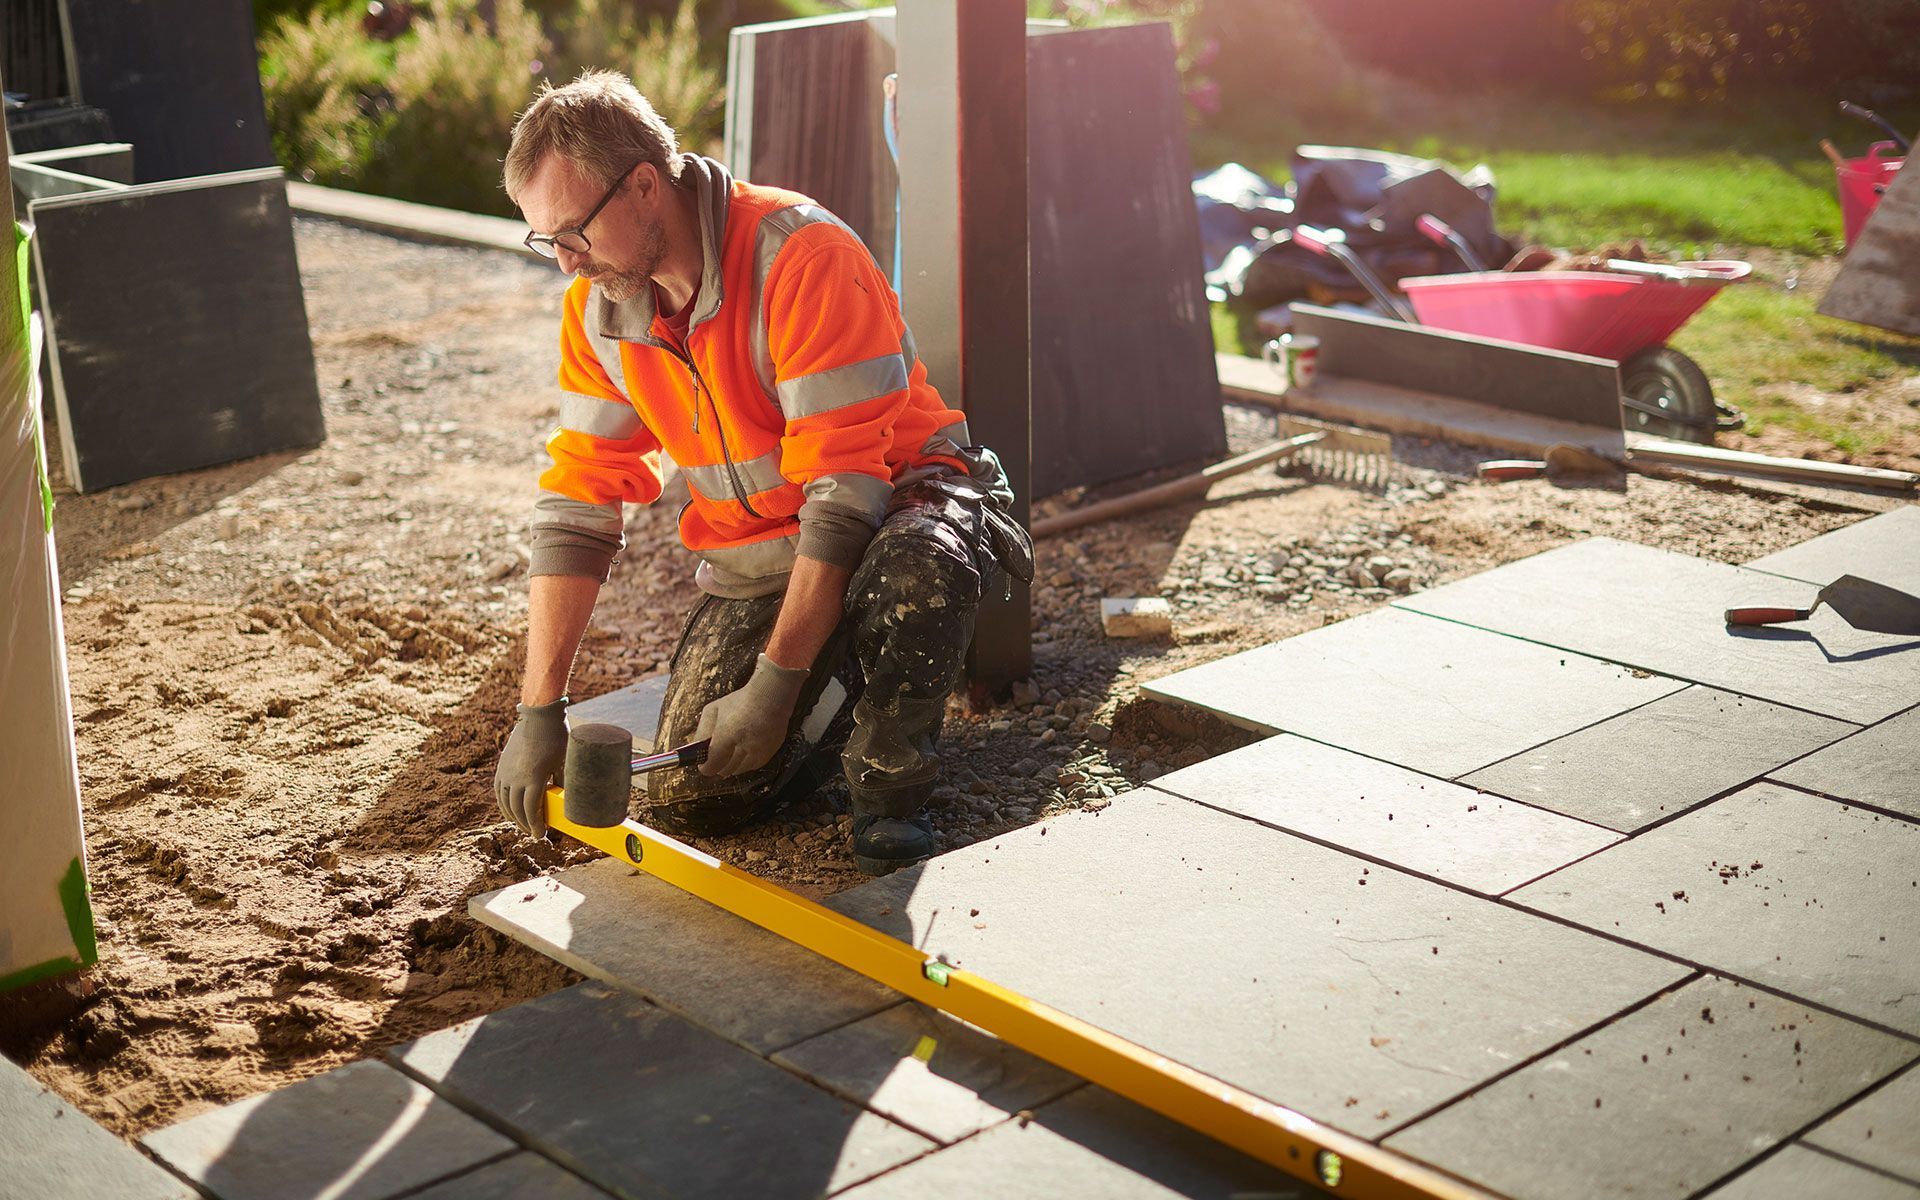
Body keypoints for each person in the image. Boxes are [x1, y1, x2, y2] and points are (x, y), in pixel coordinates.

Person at [490, 70, 1031, 875]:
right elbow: (578, 500)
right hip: (768, 552)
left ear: (644, 184)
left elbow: (847, 497)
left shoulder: (800, 255)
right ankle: (845, 663)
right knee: (702, 795)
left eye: (575, 233)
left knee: (913, 569)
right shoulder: (600, 309)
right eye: (547, 242)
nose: (567, 265)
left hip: (899, 502)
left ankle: (891, 783)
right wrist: (541, 707)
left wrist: (777, 686)